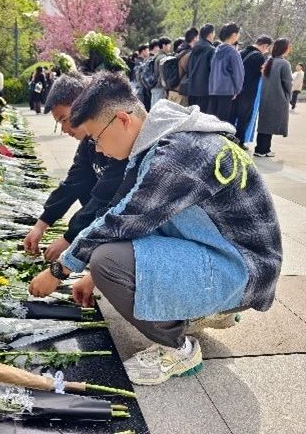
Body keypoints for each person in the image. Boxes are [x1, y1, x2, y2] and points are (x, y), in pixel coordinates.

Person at [28, 73, 282, 385]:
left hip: (244, 270)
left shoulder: (177, 154)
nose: (98, 150)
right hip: (227, 254)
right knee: (107, 256)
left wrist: (60, 270)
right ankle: (204, 308)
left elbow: (122, 220)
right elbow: (135, 217)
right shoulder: (163, 141)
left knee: (108, 261)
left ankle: (177, 349)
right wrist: (89, 274)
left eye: (96, 138)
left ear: (123, 120)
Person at [23, 73, 127, 261]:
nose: (64, 129)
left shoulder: (118, 138)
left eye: (64, 119)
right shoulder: (89, 141)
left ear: (82, 103)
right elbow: (73, 182)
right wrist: (42, 224)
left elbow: (105, 196)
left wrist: (70, 238)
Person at [229, 35, 273, 149]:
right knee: (243, 118)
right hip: (248, 93)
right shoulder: (259, 57)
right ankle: (239, 142)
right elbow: (263, 74)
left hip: (235, 91)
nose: (266, 50)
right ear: (265, 45)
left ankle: (228, 139)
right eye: (267, 48)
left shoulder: (240, 52)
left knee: (231, 116)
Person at [255, 38, 293, 157]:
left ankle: (260, 149)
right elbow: (288, 83)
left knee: (264, 123)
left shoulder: (269, 61)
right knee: (271, 123)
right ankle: (264, 150)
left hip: (265, 97)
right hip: (278, 98)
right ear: (284, 48)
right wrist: (289, 97)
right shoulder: (284, 63)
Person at [208, 23, 245, 122]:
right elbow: (239, 74)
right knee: (222, 121)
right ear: (234, 34)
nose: (238, 36)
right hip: (227, 90)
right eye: (238, 34)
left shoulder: (216, 50)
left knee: (211, 120)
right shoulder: (233, 52)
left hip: (213, 89)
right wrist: (237, 90)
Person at [187, 24, 216, 112]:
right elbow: (213, 71)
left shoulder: (193, 49)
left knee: (192, 116)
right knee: (202, 117)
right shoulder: (211, 50)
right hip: (205, 91)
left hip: (191, 89)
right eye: (214, 33)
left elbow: (189, 69)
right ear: (210, 34)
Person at [172, 27, 199, 106]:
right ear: (194, 39)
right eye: (198, 37)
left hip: (174, 91)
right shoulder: (189, 55)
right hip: (181, 94)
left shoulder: (180, 51)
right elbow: (191, 74)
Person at [150, 37, 172, 107]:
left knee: (154, 108)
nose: (170, 46)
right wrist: (166, 88)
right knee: (159, 109)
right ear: (164, 45)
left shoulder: (157, 56)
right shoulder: (163, 57)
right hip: (160, 87)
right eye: (169, 45)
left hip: (155, 86)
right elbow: (163, 74)